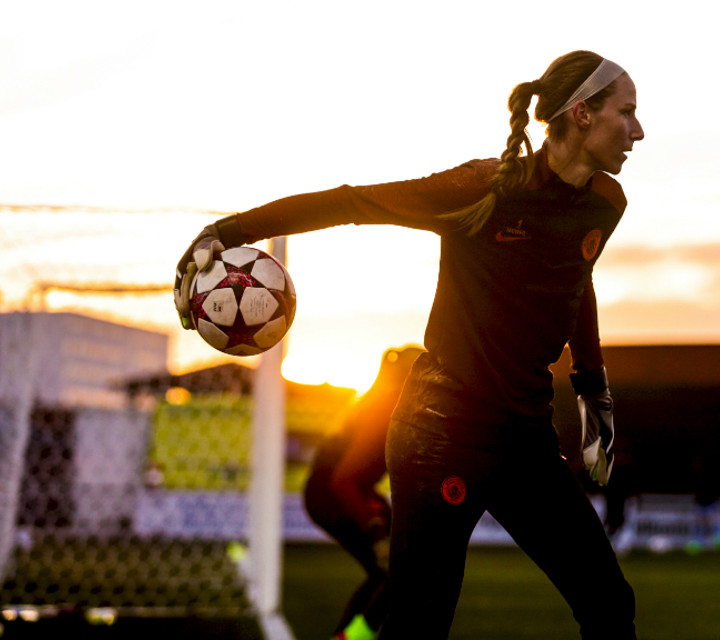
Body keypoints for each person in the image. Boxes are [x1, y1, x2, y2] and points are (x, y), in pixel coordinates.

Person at [175, 50, 644, 639]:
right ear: (581, 114)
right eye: (626, 113)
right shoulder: (483, 190)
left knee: (608, 603)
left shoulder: (606, 202)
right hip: (441, 434)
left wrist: (592, 388)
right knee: (419, 624)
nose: (638, 131)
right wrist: (229, 230)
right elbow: (351, 202)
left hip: (525, 437)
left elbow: (578, 280)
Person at [302, 345, 423, 640]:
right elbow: (343, 480)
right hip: (334, 494)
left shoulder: (387, 402)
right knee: (400, 570)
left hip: (348, 491)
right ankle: (350, 638)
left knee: (402, 569)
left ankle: (350, 636)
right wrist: (377, 534)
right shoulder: (386, 408)